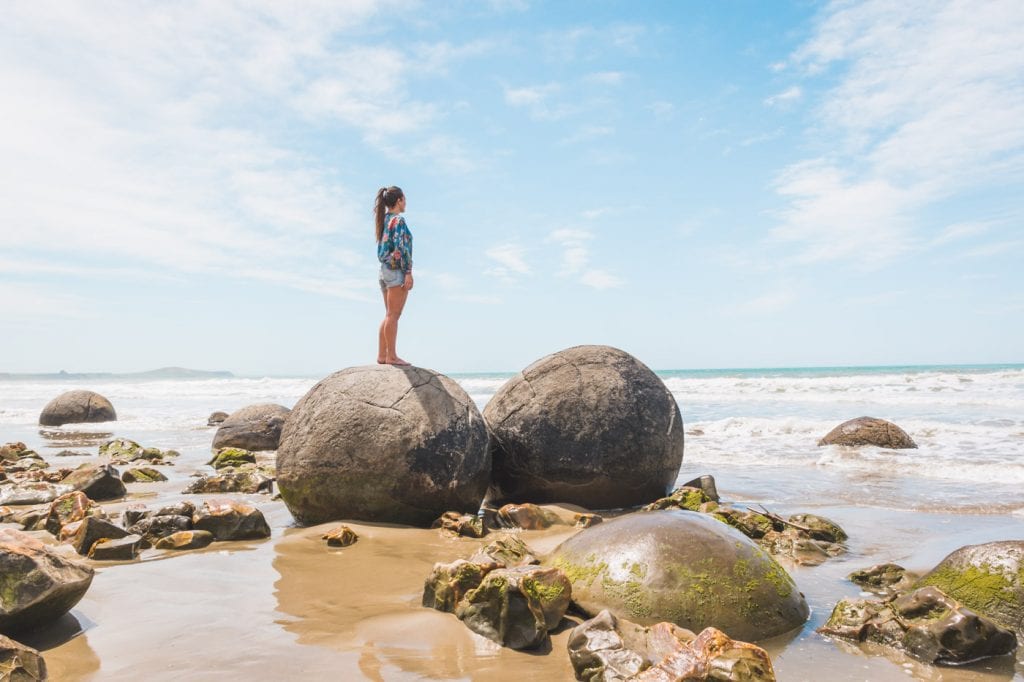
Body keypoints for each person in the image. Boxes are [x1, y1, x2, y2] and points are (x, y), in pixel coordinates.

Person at [375, 185, 414, 366]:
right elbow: (401, 249)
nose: (406, 202)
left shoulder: (385, 221)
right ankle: (391, 356)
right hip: (395, 271)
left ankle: (383, 355)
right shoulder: (398, 221)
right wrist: (408, 272)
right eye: (404, 199)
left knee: (389, 314)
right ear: (398, 201)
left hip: (384, 271)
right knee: (393, 316)